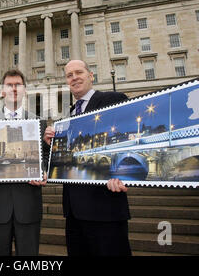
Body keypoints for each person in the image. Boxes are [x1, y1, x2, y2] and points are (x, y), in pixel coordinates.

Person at [43, 59, 132, 256]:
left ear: (90, 76)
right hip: (74, 212)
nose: (74, 78)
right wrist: (53, 147)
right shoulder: (66, 116)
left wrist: (125, 175)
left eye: (78, 72)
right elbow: (67, 159)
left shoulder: (113, 99)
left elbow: (129, 138)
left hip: (105, 207)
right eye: (69, 75)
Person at [0, 69, 47, 256]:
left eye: (18, 85)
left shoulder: (39, 122)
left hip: (28, 205)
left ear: (25, 90)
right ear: (2, 91)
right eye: (9, 85)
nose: (14, 89)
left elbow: (46, 157)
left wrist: (44, 172)